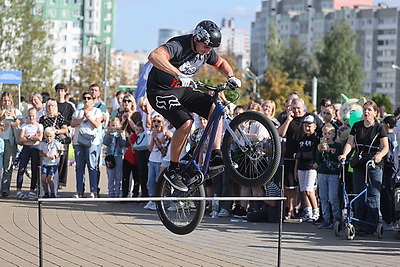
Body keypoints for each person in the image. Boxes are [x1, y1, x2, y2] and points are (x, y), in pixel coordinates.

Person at [146, 20, 241, 192]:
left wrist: (231, 76)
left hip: (182, 90)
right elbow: (154, 56)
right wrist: (177, 73)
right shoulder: (179, 45)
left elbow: (221, 64)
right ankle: (173, 169)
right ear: (197, 38)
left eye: (211, 48)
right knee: (186, 123)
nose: (208, 51)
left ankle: (215, 154)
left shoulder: (206, 51)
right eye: (206, 47)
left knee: (215, 108)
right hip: (160, 91)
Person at [338, 100, 389, 236]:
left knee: (373, 195)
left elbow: (385, 147)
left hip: (373, 163)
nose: (366, 112)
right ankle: (359, 223)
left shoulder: (379, 127)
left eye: (369, 110)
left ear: (375, 113)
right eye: (365, 110)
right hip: (359, 162)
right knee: (358, 193)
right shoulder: (357, 126)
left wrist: (379, 156)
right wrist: (344, 154)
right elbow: (350, 142)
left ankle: (371, 225)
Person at [278, 98, 323, 219]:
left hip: (309, 160)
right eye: (294, 108)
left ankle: (314, 211)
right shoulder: (288, 118)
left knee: (310, 189)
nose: (296, 110)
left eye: (298, 108)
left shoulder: (311, 117)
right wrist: (288, 119)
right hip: (293, 156)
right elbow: (280, 134)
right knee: (293, 186)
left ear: (303, 107)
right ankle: (291, 210)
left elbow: (322, 130)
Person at [70, 92, 103, 198]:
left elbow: (96, 124)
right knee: (79, 167)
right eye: (84, 98)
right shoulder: (78, 112)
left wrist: (88, 116)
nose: (87, 100)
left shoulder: (97, 111)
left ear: (93, 100)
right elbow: (72, 123)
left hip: (92, 142)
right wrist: (81, 118)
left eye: (89, 98)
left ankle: (94, 190)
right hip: (78, 142)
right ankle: (79, 190)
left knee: (92, 166)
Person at [39, 98, 69, 191]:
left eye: (52, 106)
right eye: (49, 106)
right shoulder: (43, 119)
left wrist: (55, 131)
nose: (50, 108)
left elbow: (65, 129)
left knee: (56, 164)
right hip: (46, 144)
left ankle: (57, 183)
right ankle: (45, 187)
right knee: (46, 164)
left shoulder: (59, 117)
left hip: (56, 144)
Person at [316, 123, 342, 228]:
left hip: (333, 174)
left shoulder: (337, 146)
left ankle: (336, 218)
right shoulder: (320, 145)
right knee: (323, 197)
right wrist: (320, 151)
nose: (327, 135)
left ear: (333, 135)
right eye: (325, 133)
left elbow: (336, 159)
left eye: (329, 133)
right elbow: (318, 161)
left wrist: (328, 151)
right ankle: (326, 219)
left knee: (333, 198)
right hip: (322, 173)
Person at [295, 115, 320, 222]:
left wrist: (316, 163)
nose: (307, 128)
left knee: (309, 190)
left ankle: (316, 211)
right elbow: (297, 155)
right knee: (303, 191)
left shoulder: (316, 138)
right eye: (305, 125)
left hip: (311, 167)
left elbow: (316, 153)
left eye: (309, 126)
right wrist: (295, 169)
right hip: (301, 167)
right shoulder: (301, 138)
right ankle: (308, 211)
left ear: (314, 126)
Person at [16, 108, 43, 200]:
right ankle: (19, 190)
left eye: (33, 116)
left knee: (34, 169)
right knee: (21, 168)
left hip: (35, 148)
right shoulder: (24, 126)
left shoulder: (39, 126)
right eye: (30, 116)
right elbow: (21, 139)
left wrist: (28, 137)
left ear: (36, 116)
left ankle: (32, 190)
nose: (31, 118)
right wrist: (32, 138)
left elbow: (39, 138)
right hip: (26, 148)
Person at [0, 92, 23, 198]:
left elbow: (22, 123)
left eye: (8, 100)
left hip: (10, 141)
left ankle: (5, 189)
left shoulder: (16, 111)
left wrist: (15, 117)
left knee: (8, 166)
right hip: (0, 139)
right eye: (4, 100)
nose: (6, 103)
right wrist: (1, 117)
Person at [54, 83, 76, 187]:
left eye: (62, 91)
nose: (60, 93)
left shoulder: (69, 106)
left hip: (65, 133)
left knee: (63, 157)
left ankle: (61, 181)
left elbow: (73, 119)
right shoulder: (53, 104)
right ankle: (53, 178)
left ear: (65, 92)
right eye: (58, 91)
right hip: (53, 133)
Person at [144, 115, 166, 210]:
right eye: (154, 121)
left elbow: (162, 147)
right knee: (150, 181)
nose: (156, 123)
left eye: (158, 121)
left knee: (158, 181)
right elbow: (149, 148)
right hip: (152, 159)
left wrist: (156, 137)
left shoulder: (164, 134)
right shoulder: (151, 134)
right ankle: (152, 199)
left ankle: (159, 200)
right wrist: (153, 136)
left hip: (160, 160)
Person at [381, 115, 398, 231]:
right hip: (394, 168)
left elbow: (387, 156)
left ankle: (388, 220)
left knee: (386, 195)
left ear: (387, 125)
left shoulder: (387, 138)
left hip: (388, 168)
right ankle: (393, 219)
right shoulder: (395, 136)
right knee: (391, 194)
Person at [103, 117, 126, 198]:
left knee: (118, 175)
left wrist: (120, 134)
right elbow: (105, 142)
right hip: (110, 156)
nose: (114, 127)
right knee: (110, 175)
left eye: (116, 125)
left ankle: (117, 192)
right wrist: (108, 133)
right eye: (113, 125)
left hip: (118, 155)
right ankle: (111, 192)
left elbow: (123, 144)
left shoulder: (121, 133)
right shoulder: (108, 134)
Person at [39, 127, 63, 198]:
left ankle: (52, 193)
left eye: (50, 136)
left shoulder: (56, 143)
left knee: (50, 179)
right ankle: (46, 193)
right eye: (47, 136)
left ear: (53, 136)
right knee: (43, 179)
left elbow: (60, 151)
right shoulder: (42, 143)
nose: (49, 138)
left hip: (53, 163)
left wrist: (55, 156)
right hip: (45, 163)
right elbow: (40, 153)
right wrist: (44, 155)